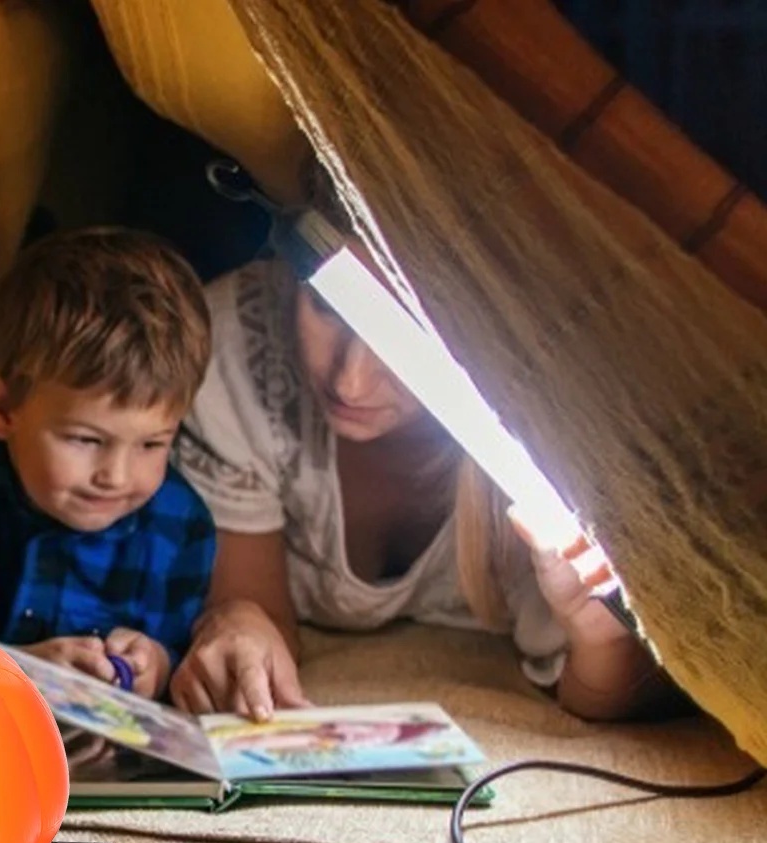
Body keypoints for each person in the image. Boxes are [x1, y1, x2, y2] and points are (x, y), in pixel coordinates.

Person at [169, 241, 672, 723]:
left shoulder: (535, 447)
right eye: (327, 306)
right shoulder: (240, 347)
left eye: (404, 335)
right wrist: (239, 621)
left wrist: (599, 636)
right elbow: (263, 618)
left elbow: (595, 691)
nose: (351, 381)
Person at [0, 228, 217, 703]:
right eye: (84, 439)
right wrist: (19, 671)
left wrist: (156, 665)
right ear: (1, 408)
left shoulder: (182, 523)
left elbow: (183, 647)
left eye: (152, 445)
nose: (116, 477)